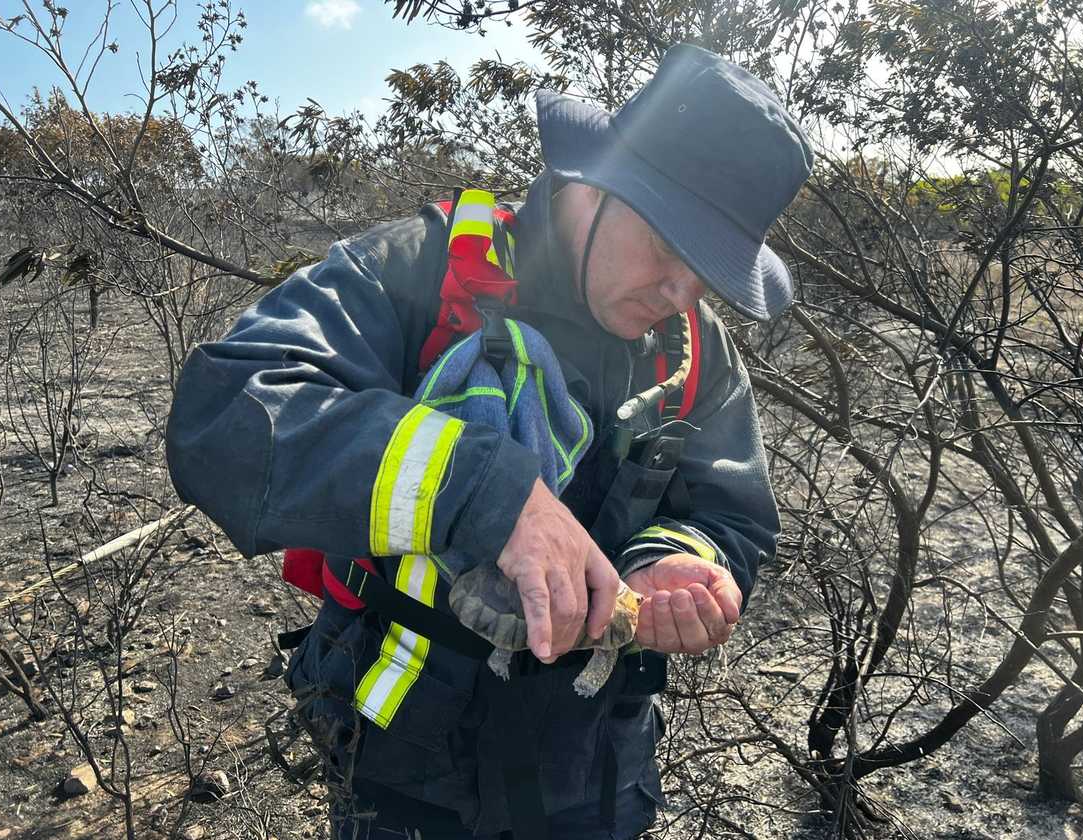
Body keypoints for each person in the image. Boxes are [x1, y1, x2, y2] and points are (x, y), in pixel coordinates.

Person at [166, 42, 812, 840]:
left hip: (594, 773)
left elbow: (734, 515)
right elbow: (226, 413)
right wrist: (485, 494)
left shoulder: (693, 348)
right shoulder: (419, 272)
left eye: (709, 271)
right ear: (595, 186)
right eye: (673, 251)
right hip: (409, 769)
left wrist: (685, 561)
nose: (683, 292)